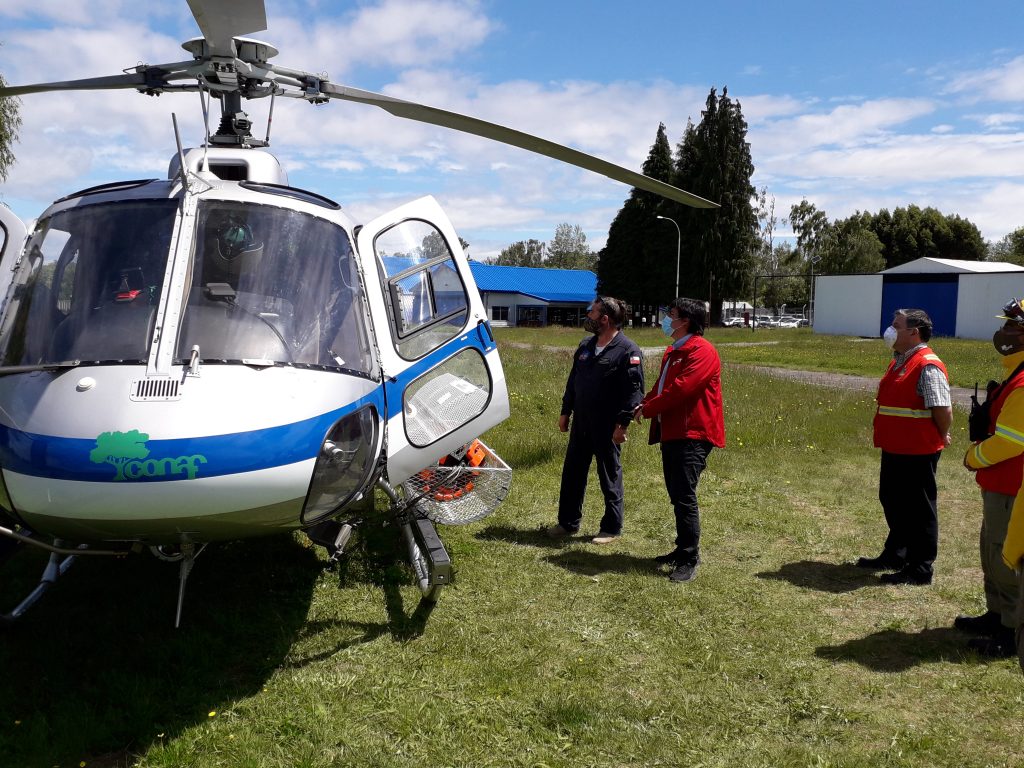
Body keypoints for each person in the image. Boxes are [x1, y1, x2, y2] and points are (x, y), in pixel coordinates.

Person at [633, 297, 725, 583]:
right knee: (677, 493)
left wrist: (649, 409)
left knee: (684, 496)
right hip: (673, 432)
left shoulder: (702, 351)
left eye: (670, 314)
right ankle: (681, 548)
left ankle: (689, 557)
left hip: (693, 434)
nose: (666, 319)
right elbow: (664, 386)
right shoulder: (675, 350)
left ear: (685, 320)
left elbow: (681, 390)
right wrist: (644, 402)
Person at [859, 308, 952, 585]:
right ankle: (896, 553)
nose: (890, 329)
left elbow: (942, 409)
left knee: (919, 509)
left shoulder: (927, 365)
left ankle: (920, 567)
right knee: (892, 499)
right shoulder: (900, 360)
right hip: (896, 447)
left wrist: (942, 434)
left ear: (914, 332)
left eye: (896, 325)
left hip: (918, 450)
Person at [548, 296, 645, 544]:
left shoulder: (628, 350)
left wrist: (622, 424)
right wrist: (565, 411)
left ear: (605, 319)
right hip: (581, 422)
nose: (588, 317)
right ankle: (568, 522)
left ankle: (611, 528)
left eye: (592, 313)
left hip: (607, 425)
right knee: (572, 473)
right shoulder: (585, 346)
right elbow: (574, 381)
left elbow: (634, 392)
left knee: (609, 475)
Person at [960, 299, 1024, 657]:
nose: (1005, 332)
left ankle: (1011, 633)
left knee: (1006, 559)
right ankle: (996, 615)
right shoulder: (1015, 374)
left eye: (1014, 326)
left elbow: (1012, 442)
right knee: (991, 552)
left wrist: (974, 458)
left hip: (1012, 485)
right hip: (999, 484)